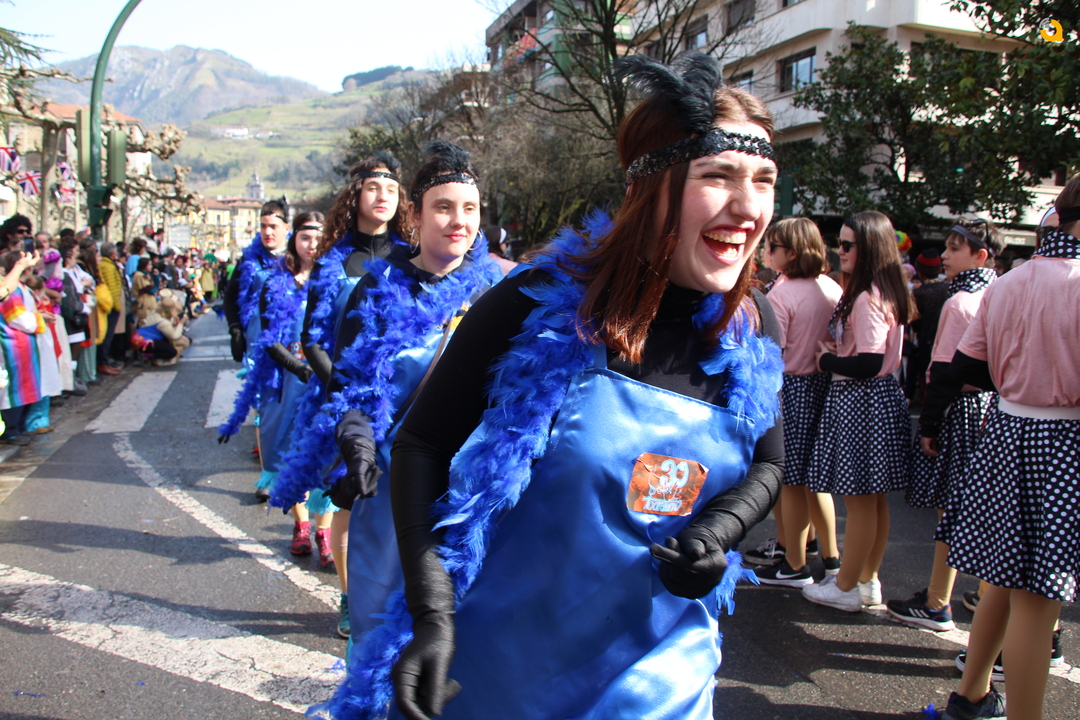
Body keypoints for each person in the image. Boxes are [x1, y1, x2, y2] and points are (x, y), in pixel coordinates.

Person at [316, 52, 785, 720]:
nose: (748, 207)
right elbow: (422, 443)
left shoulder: (752, 323)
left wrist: (721, 529)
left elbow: (769, 463)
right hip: (506, 673)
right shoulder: (537, 300)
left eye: (765, 180)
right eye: (718, 176)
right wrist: (432, 611)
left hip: (661, 680)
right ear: (652, 187)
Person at [317, 142, 502, 650]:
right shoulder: (374, 290)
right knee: (380, 640)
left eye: (470, 208)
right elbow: (349, 387)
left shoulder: (499, 294)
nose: (458, 221)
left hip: (469, 495)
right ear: (414, 215)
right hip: (389, 489)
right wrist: (357, 445)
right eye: (443, 207)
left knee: (462, 644)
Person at [928, 176, 1080, 720]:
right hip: (1063, 440)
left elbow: (966, 365)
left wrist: (1018, 376)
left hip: (1007, 429)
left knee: (1000, 578)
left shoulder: (1008, 282)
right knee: (1039, 600)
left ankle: (970, 694)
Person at [269, 151, 410, 637]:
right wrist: (344, 388)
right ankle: (350, 598)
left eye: (392, 189)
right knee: (350, 499)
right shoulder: (333, 262)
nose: (383, 196)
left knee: (400, 497)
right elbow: (311, 339)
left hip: (403, 394)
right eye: (373, 187)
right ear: (355, 196)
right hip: (345, 399)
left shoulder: (412, 259)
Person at [886, 219, 1002, 632]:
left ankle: (937, 600)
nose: (946, 255)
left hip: (960, 409)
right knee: (986, 509)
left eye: (955, 248)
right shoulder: (1001, 293)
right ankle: (988, 594)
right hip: (996, 409)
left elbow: (943, 372)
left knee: (949, 510)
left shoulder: (961, 302)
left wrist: (930, 424)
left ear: (980, 255)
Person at [801, 211, 916, 612]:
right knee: (873, 501)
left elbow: (868, 361)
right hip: (876, 398)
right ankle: (865, 581)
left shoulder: (868, 297)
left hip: (860, 400)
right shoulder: (884, 291)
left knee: (861, 501)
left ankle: (848, 585)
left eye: (848, 245)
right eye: (840, 243)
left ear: (869, 249)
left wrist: (827, 360)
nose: (841, 251)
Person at [219, 211, 332, 553]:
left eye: (318, 238)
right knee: (288, 451)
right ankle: (301, 526)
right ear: (294, 239)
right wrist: (298, 368)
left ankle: (324, 532)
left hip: (325, 378)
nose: (311, 245)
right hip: (286, 379)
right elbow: (269, 338)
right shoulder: (274, 282)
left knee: (325, 453)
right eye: (305, 237)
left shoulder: (336, 280)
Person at [753, 218, 843, 587]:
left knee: (787, 478)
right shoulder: (830, 286)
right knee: (815, 478)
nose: (765, 251)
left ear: (790, 253)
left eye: (771, 246)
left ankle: (793, 562)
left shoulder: (782, 292)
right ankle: (823, 552)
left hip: (790, 386)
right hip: (824, 384)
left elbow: (773, 351)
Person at [223, 199, 290, 364]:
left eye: (273, 226)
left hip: (290, 340)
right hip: (257, 343)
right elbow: (230, 296)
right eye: (263, 226)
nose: (267, 232)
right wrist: (235, 330)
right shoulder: (248, 260)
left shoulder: (298, 258)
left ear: (286, 228)